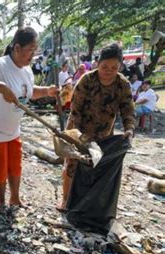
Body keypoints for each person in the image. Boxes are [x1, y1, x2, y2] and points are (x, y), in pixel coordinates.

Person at [0, 27, 58, 212]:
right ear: (17, 48)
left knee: (15, 166)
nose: (33, 55)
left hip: (13, 129)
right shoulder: (0, 65)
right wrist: (1, 88)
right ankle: (1, 200)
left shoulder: (26, 70)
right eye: (30, 50)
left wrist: (47, 91)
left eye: (35, 50)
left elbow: (29, 92)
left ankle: (15, 198)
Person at [58, 43, 135, 211]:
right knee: (72, 165)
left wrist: (129, 129)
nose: (109, 71)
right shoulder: (87, 80)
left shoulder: (123, 85)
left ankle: (86, 204)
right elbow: (75, 110)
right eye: (105, 66)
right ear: (97, 64)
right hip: (78, 130)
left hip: (104, 135)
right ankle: (65, 200)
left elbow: (128, 111)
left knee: (95, 167)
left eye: (114, 67)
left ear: (120, 67)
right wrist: (79, 139)